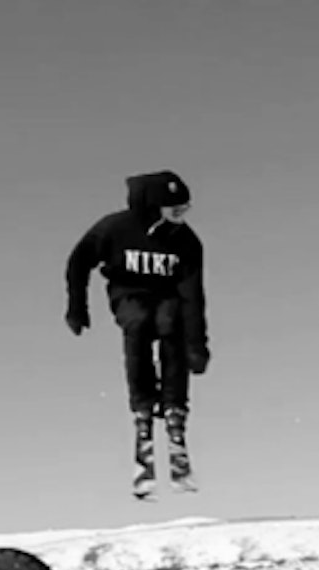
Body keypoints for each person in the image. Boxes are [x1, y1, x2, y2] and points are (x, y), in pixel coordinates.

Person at [63, 169, 210, 495]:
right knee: (139, 322)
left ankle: (173, 405)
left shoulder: (186, 242)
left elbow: (194, 297)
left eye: (185, 209)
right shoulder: (114, 229)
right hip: (128, 292)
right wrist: (77, 307)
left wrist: (197, 345)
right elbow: (78, 261)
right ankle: (143, 403)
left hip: (168, 297)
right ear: (154, 205)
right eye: (175, 209)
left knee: (173, 323)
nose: (181, 215)